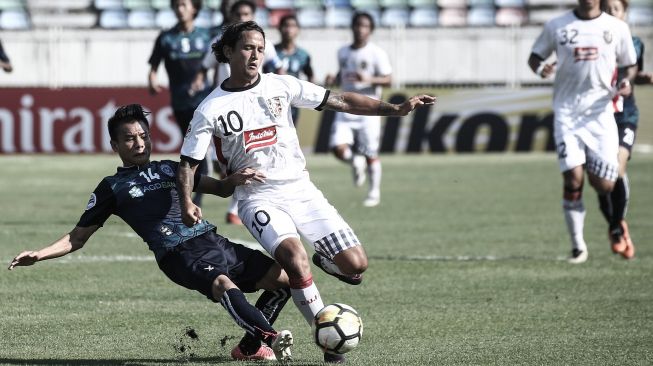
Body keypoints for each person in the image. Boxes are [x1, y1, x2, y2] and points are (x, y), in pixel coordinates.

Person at [176, 21, 435, 363]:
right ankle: (330, 341)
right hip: (258, 198)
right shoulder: (211, 108)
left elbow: (340, 100)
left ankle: (323, 262)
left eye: (260, 48)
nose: (255, 55)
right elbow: (187, 164)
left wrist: (394, 110)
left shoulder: (282, 86)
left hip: (302, 190)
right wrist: (186, 203)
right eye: (247, 48)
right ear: (228, 51)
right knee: (294, 260)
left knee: (356, 266)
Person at [7, 104, 295, 362]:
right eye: (130, 138)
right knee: (222, 284)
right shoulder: (111, 187)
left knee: (283, 280)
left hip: (212, 240)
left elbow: (219, 189)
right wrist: (39, 254)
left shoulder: (173, 169)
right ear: (115, 145)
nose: (139, 143)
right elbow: (76, 238)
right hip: (177, 253)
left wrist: (234, 179)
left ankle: (248, 348)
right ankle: (271, 338)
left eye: (143, 136)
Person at [527, 0, 637, 263]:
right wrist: (542, 69)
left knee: (604, 184)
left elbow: (629, 64)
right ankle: (578, 247)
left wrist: (626, 81)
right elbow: (534, 57)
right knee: (573, 179)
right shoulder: (558, 25)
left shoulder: (616, 28)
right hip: (567, 113)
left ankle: (616, 222)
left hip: (601, 113)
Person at [193, 0, 285, 226]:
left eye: (247, 13)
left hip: (254, 103)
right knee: (222, 165)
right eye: (239, 13)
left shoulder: (266, 43)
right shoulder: (220, 42)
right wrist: (198, 82)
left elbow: (277, 66)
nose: (242, 16)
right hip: (224, 104)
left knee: (249, 154)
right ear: (231, 15)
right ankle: (241, 200)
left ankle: (239, 207)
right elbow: (206, 66)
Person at [599, 0, 653, 261]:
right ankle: (616, 227)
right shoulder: (594, 42)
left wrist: (637, 79)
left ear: (625, 12)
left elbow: (632, 70)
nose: (611, 14)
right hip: (597, 116)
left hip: (625, 115)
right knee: (601, 181)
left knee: (617, 169)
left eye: (615, 9)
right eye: (606, 9)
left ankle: (617, 224)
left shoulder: (634, 43)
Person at [148, 0, 212, 207]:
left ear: (194, 8)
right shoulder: (166, 37)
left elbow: (220, 63)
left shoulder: (206, 35)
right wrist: (152, 79)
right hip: (181, 102)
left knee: (199, 149)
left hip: (207, 101)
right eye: (176, 5)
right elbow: (154, 65)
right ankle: (200, 187)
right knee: (193, 149)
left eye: (184, 4)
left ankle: (198, 199)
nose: (180, 8)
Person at [324, 12, 392, 208]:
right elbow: (344, 74)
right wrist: (333, 79)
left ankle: (374, 192)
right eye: (358, 25)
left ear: (370, 30)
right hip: (346, 106)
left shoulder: (376, 53)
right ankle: (355, 161)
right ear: (352, 27)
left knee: (371, 152)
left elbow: (388, 79)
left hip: (369, 108)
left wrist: (369, 79)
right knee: (337, 148)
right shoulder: (343, 52)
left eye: (365, 26)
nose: (360, 29)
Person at [269, 14, 314, 125]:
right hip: (271, 100)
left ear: (298, 30)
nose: (289, 29)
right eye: (285, 25)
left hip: (292, 103)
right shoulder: (270, 51)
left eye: (293, 26)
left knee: (290, 136)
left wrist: (306, 95)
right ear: (279, 28)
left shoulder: (303, 55)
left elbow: (310, 74)